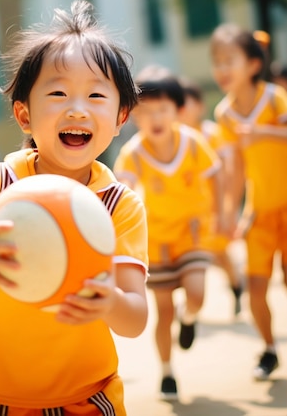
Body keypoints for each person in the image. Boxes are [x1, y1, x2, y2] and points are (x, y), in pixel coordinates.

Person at [0, 0, 148, 416]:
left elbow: (135, 319)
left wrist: (110, 302)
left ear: (120, 118)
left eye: (96, 95)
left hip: (82, 398)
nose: (77, 108)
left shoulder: (119, 205)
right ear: (24, 116)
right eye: (59, 92)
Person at [113, 65, 223, 401]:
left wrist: (220, 214)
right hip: (156, 241)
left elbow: (215, 175)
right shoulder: (133, 153)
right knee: (163, 312)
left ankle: (190, 319)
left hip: (192, 232)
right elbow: (121, 190)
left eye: (163, 109)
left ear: (178, 110)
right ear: (133, 117)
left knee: (196, 293)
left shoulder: (192, 142)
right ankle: (167, 372)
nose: (155, 117)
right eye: (146, 111)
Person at [210, 23, 287, 381]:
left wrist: (263, 132)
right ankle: (270, 349)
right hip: (260, 211)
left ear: (253, 64)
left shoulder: (274, 98)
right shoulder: (224, 114)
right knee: (257, 285)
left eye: (230, 61)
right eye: (217, 62)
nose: (222, 70)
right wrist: (229, 214)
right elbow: (235, 169)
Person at [178, 78, 243, 315]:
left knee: (220, 253)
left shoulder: (211, 133)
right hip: (190, 210)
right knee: (188, 253)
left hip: (214, 205)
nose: (183, 109)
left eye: (188, 102)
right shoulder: (175, 137)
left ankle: (236, 285)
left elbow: (226, 171)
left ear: (199, 106)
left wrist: (227, 207)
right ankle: (189, 305)